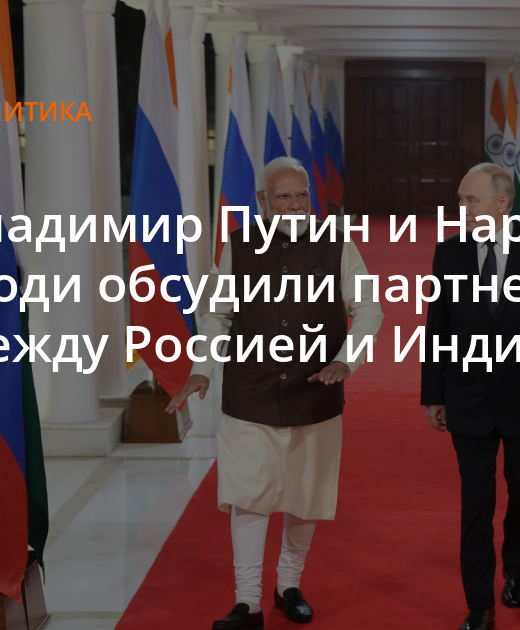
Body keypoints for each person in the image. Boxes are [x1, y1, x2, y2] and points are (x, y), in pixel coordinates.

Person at [168, 156, 384, 630]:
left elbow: (369, 308)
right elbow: (218, 314)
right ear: (262, 200)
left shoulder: (337, 242)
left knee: (306, 495)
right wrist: (202, 369)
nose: (294, 204)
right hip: (250, 392)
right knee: (248, 494)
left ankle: (288, 586)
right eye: (283, 196)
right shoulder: (238, 244)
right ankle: (247, 603)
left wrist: (346, 360)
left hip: (316, 392)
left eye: (302, 195)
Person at [421, 163, 520, 630]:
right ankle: (479, 605)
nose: (462, 208)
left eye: (471, 200)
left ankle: (516, 571)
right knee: (475, 504)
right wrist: (433, 393)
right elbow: (438, 326)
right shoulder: (449, 252)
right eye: (460, 200)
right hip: (467, 396)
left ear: (503, 202)